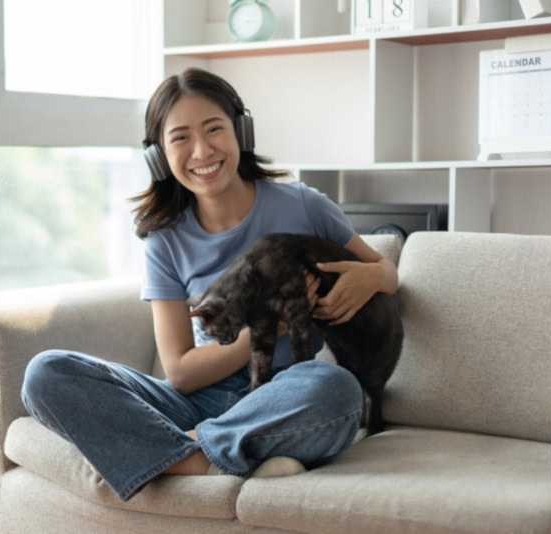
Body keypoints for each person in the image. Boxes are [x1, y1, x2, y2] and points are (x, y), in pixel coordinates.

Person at [20, 68, 399, 502]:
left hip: (282, 396)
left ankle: (173, 454)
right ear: (159, 156)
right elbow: (180, 373)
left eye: (214, 129)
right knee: (46, 373)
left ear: (241, 131)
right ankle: (213, 458)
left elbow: (388, 274)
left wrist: (373, 275)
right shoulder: (164, 240)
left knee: (338, 391)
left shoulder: (303, 205)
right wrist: (264, 330)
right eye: (180, 137)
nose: (202, 150)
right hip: (195, 403)